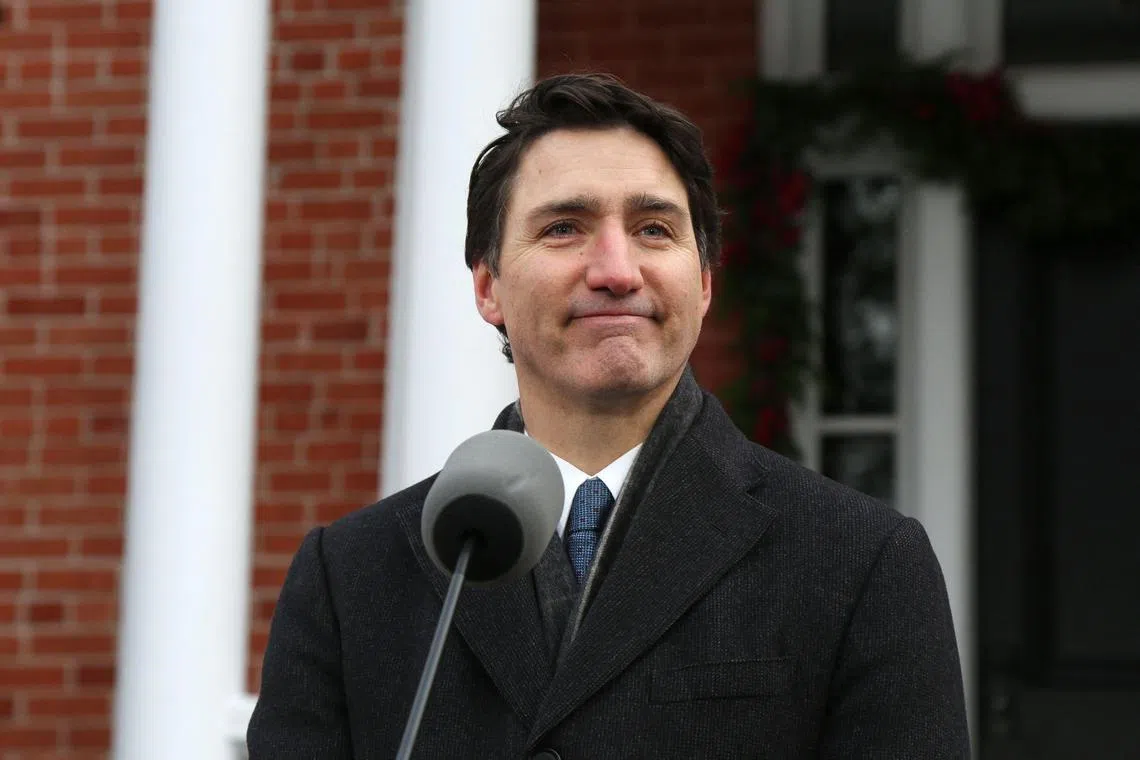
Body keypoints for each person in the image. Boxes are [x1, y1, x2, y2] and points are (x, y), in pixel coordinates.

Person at [247, 73, 970, 759]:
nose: (617, 270)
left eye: (655, 229)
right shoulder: (350, 580)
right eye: (564, 227)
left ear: (705, 281)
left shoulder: (862, 564)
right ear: (487, 286)